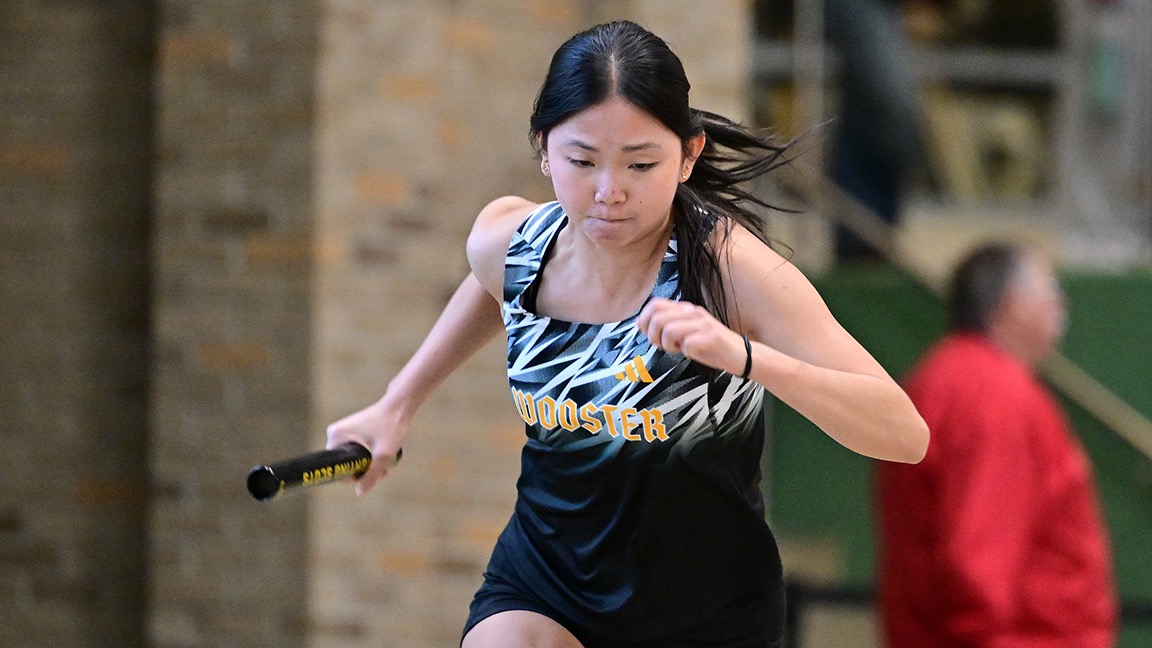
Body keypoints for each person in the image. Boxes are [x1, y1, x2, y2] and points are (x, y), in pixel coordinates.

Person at [327, 20, 928, 648]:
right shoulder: (509, 243)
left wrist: (744, 357)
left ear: (688, 155)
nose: (609, 193)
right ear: (542, 149)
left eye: (641, 164)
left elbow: (904, 434)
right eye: (581, 161)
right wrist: (397, 405)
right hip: (546, 581)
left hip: (705, 612)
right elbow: (490, 285)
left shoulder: (730, 271)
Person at [875, 242, 1118, 647]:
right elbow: (976, 563)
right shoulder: (994, 396)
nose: (1060, 303)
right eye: (1049, 289)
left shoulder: (935, 380)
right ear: (1011, 303)